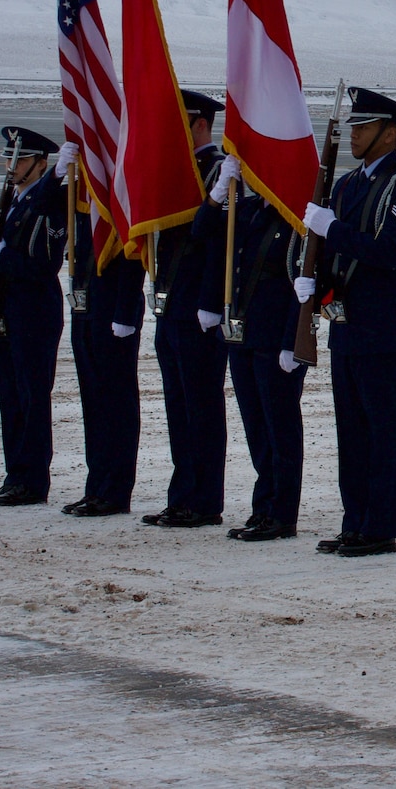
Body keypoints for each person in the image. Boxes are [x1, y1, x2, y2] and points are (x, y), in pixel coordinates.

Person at [295, 87, 396, 557]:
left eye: (364, 127)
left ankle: (379, 528)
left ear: (390, 134)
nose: (355, 135)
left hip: (384, 328)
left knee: (383, 432)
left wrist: (332, 229)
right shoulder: (347, 185)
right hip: (346, 327)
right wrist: (313, 285)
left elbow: (387, 253)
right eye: (353, 127)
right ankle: (355, 523)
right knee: (351, 432)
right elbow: (334, 252)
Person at [207, 165, 311, 541]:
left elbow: (301, 286)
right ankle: (263, 507)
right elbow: (204, 234)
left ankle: (282, 514)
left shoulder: (297, 219)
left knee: (280, 430)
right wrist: (220, 191)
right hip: (243, 337)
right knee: (256, 430)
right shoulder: (247, 212)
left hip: (275, 343)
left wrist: (290, 341)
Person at [142, 89, 229, 529]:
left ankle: (204, 500)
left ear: (200, 123)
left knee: (201, 406)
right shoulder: (178, 169)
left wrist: (212, 303)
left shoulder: (218, 170)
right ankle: (182, 495)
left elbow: (218, 246)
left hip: (198, 308)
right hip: (171, 303)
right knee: (178, 406)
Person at [0, 125, 67, 507]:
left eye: (20, 159)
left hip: (34, 313)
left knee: (31, 398)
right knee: (10, 398)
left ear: (40, 163)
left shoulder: (49, 202)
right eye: (10, 159)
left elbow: (44, 266)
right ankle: (15, 474)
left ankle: (32, 481)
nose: (12, 167)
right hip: (7, 312)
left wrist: (3, 258)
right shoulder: (13, 201)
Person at [56, 139, 147, 517]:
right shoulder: (90, 186)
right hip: (87, 306)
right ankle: (97, 484)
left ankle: (114, 489)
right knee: (94, 402)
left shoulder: (119, 184)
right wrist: (62, 175)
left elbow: (131, 251)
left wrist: (126, 312)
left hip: (113, 313)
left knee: (116, 401)